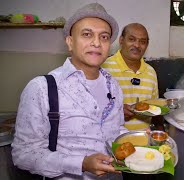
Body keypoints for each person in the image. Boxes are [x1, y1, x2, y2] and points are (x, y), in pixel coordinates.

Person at [11, 3, 128, 179]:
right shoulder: (42, 88)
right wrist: (81, 163)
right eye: (87, 34)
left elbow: (114, 131)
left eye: (104, 37)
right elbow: (24, 154)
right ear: (70, 42)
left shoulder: (114, 86)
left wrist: (138, 139)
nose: (96, 43)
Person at [102, 23, 159, 131]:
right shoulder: (104, 68)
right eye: (132, 39)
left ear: (147, 45)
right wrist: (116, 111)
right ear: (121, 40)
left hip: (143, 141)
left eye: (142, 42)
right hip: (113, 141)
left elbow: (155, 107)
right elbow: (91, 109)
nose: (137, 45)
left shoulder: (151, 72)